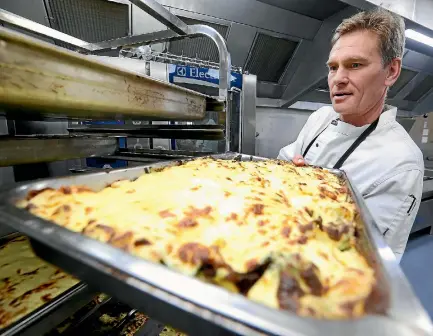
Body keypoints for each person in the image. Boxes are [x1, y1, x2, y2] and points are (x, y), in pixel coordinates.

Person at [278, 8, 424, 263]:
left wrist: (308, 195)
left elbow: (366, 260)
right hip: (277, 242)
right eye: (333, 67)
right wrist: (288, 174)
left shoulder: (402, 163)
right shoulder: (320, 118)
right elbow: (283, 163)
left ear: (391, 71)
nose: (338, 79)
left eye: (355, 65)